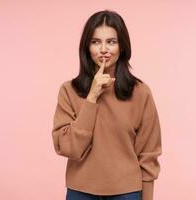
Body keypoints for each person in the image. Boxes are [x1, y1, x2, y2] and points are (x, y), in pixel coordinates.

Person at [51, 9, 162, 200]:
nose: (104, 49)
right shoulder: (68, 91)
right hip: (80, 192)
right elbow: (68, 148)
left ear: (122, 47)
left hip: (127, 193)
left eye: (111, 42)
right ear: (87, 47)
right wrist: (92, 97)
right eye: (96, 42)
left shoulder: (140, 92)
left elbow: (148, 153)